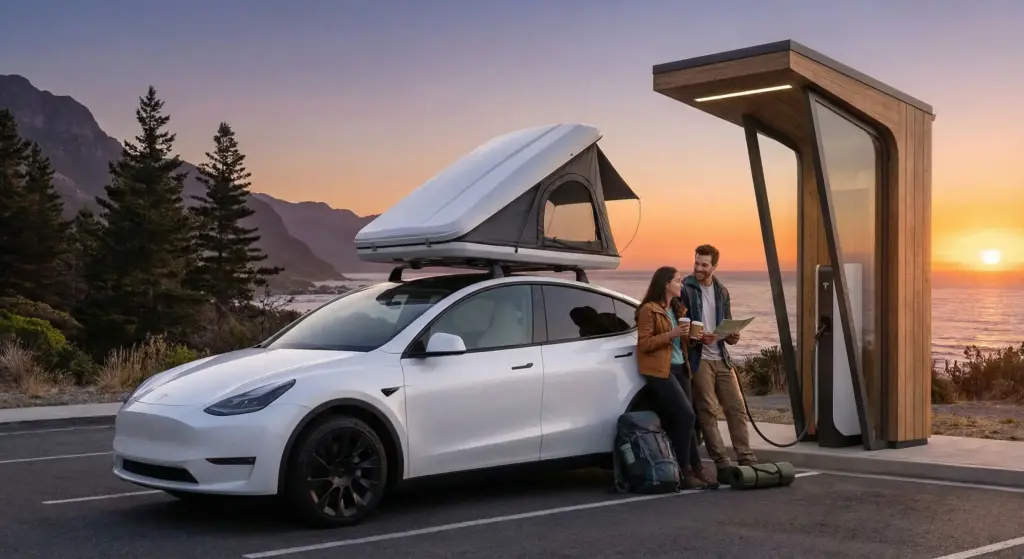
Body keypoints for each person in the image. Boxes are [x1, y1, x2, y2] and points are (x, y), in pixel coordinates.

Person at [635, 266, 719, 489]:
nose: (681, 285)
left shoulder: (676, 308)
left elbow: (681, 344)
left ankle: (697, 466)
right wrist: (671, 334)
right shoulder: (648, 310)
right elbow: (643, 344)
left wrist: (696, 337)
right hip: (661, 371)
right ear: (665, 284)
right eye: (678, 281)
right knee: (686, 415)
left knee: (689, 421)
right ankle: (684, 470)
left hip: (682, 368)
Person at [681, 244, 759, 479]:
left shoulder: (722, 291)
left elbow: (727, 325)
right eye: (697, 263)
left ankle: (746, 458)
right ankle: (722, 463)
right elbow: (679, 326)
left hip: (721, 357)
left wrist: (733, 335)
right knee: (707, 411)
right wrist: (698, 337)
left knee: (736, 408)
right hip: (699, 358)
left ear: (715, 266)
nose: (699, 268)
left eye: (704, 265)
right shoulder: (685, 288)